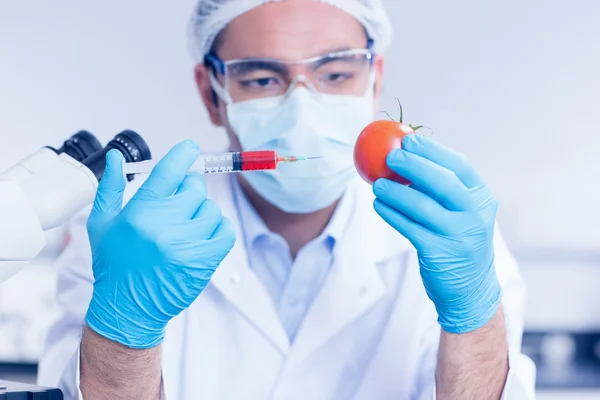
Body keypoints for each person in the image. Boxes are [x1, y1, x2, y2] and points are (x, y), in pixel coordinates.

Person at [38, 0, 536, 399]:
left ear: (375, 77)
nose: (302, 109)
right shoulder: (122, 235)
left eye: (336, 74)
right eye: (261, 79)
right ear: (212, 92)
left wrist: (473, 316)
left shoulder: (454, 235)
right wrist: (124, 330)